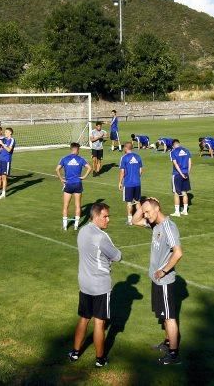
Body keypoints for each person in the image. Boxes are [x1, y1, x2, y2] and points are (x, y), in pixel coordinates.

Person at [68, 203, 122, 368]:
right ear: (96, 216)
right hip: (100, 285)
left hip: (84, 283)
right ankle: (100, 359)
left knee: (84, 318)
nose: (108, 220)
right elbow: (118, 256)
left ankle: (75, 353)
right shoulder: (102, 237)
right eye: (105, 216)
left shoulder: (83, 230)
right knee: (100, 322)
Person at [131, 198, 184, 365]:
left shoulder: (168, 227)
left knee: (169, 317)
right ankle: (168, 343)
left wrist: (164, 270)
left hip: (165, 281)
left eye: (148, 212)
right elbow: (134, 221)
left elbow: (178, 253)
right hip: (157, 280)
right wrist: (143, 205)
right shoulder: (155, 224)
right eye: (145, 213)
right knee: (164, 316)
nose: (145, 216)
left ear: (158, 208)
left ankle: (174, 354)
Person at [56, 143, 92, 230]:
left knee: (65, 205)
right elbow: (89, 168)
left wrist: (61, 179)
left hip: (68, 184)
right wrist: (84, 176)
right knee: (78, 205)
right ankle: (76, 226)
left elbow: (57, 169)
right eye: (79, 149)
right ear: (76, 149)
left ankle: (65, 226)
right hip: (77, 184)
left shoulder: (64, 159)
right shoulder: (80, 159)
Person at [119, 142, 144, 225]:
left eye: (124, 148)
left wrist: (120, 182)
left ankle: (130, 220)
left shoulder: (124, 158)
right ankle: (140, 218)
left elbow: (122, 171)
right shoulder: (138, 157)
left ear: (126, 148)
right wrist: (136, 177)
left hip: (128, 184)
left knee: (129, 202)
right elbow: (141, 170)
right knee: (137, 202)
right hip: (137, 183)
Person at [0, 127, 15, 200]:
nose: (5, 133)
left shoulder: (12, 140)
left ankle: (3, 193)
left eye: (7, 132)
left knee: (4, 177)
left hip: (6, 160)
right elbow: (0, 150)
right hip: (0, 159)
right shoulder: (4, 139)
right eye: (5, 132)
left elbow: (9, 150)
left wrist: (3, 144)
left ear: (10, 133)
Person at [169, 139, 192, 216]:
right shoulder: (186, 150)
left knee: (176, 193)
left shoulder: (173, 152)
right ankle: (185, 211)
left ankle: (177, 212)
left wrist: (181, 174)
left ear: (173, 145)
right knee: (184, 192)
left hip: (177, 174)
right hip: (186, 173)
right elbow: (190, 162)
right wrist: (187, 173)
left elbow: (175, 164)